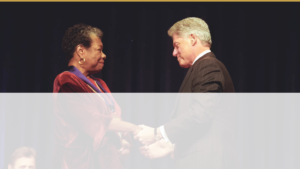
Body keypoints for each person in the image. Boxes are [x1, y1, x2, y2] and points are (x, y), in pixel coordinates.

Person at [135, 17, 235, 169]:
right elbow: (205, 125)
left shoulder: (208, 65)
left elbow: (201, 113)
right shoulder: (203, 66)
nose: (174, 53)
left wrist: (157, 133)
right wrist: (171, 145)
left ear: (193, 39)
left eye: (177, 45)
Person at [53, 23, 141, 169]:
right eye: (99, 50)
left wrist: (124, 141)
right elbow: (93, 121)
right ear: (81, 51)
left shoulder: (100, 84)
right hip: (81, 162)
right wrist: (136, 129)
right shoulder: (66, 81)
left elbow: (115, 117)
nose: (104, 55)